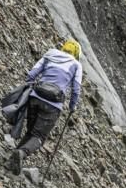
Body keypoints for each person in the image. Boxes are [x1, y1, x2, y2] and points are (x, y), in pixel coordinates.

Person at [8, 39, 82, 175]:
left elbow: (32, 74)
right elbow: (76, 89)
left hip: (35, 97)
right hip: (53, 105)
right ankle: (21, 152)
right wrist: (72, 107)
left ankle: (12, 160)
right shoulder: (76, 65)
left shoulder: (51, 53)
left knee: (31, 131)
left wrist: (28, 89)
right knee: (39, 137)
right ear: (77, 54)